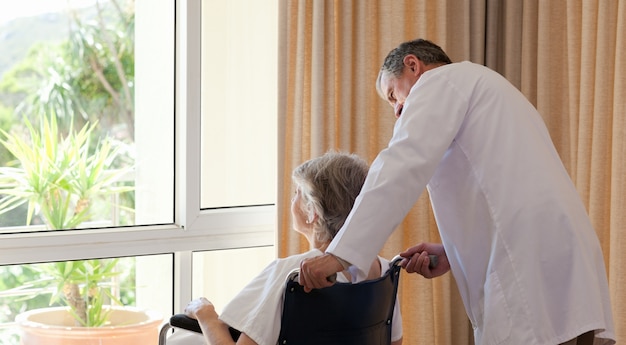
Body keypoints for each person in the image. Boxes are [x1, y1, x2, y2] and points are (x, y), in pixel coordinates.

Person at [298, 39, 615, 345]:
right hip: (563, 258)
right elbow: (501, 187)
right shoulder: (486, 86)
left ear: (413, 66)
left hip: (530, 267)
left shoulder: (439, 83)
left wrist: (341, 254)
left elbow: (399, 167)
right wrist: (453, 251)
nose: (396, 110)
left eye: (393, 95)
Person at [169, 151, 403, 345]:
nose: (292, 202)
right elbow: (395, 341)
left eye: (297, 195)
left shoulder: (293, 272)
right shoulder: (383, 270)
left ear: (312, 212)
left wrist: (206, 314)